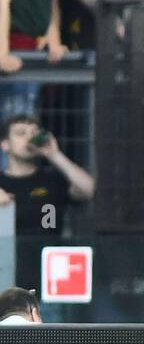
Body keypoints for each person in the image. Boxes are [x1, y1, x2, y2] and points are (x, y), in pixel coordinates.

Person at [0, 115, 95, 289]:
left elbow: (90, 190)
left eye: (34, 132)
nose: (29, 137)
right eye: (21, 133)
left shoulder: (52, 179)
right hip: (6, 276)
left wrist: (54, 154)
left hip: (49, 276)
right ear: (5, 144)